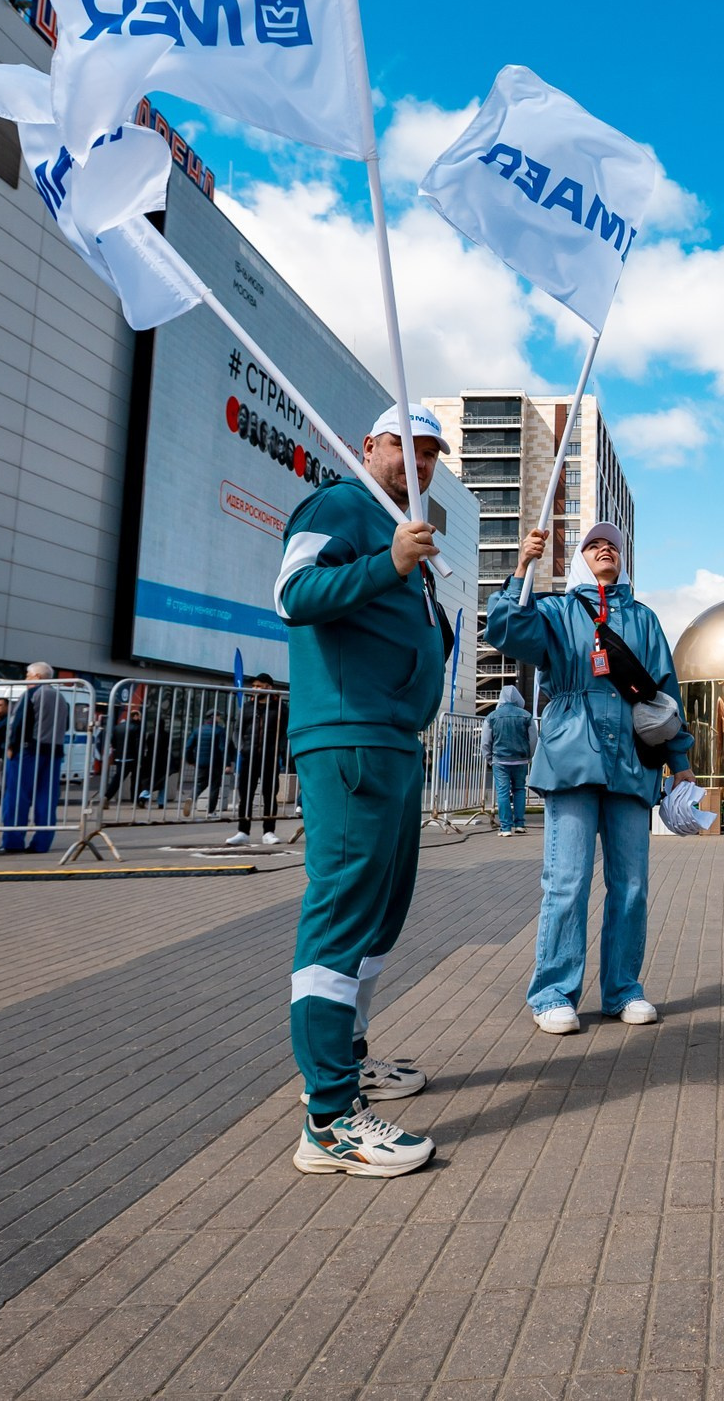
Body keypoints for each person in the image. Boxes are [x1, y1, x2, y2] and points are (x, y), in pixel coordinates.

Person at [278, 403, 453, 1178]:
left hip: (391, 741)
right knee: (343, 911)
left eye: (431, 455)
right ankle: (328, 1119)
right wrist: (387, 563)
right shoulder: (340, 503)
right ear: (368, 448)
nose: (418, 465)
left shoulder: (404, 534)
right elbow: (293, 594)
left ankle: (347, 1063)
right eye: (405, 449)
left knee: (380, 915)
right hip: (348, 737)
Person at [487, 517, 691, 1035]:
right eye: (594, 545)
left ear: (623, 559)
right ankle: (553, 991)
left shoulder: (643, 618)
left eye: (613, 546)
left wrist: (682, 766)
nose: (605, 550)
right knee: (567, 881)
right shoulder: (554, 609)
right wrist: (522, 569)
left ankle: (623, 989)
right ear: (581, 557)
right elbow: (507, 631)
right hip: (572, 754)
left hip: (630, 756)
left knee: (632, 886)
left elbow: (665, 694)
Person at [0, 664, 72, 854]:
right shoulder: (61, 698)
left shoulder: (31, 695)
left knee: (17, 796)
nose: (26, 678)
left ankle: (12, 842)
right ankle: (41, 843)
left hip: (28, 751)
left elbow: (19, 722)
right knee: (46, 798)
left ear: (37, 677)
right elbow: (66, 724)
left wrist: (12, 746)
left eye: (28, 675)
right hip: (54, 752)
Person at [225, 675, 288, 844]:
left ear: (268, 687)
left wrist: (278, 749)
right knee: (245, 795)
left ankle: (269, 831)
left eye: (259, 686)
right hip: (248, 758)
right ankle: (243, 832)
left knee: (269, 794)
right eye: (253, 686)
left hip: (270, 757)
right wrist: (241, 748)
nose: (255, 689)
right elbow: (236, 730)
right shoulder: (246, 707)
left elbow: (285, 732)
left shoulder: (280, 708)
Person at [486, 684, 533, 836]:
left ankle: (505, 828)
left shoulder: (492, 716)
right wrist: (529, 756)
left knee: (503, 792)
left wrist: (489, 758)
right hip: (521, 759)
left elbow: (485, 741)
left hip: (500, 760)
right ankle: (520, 824)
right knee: (519, 790)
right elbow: (534, 739)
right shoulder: (526, 715)